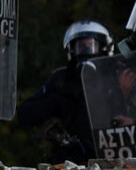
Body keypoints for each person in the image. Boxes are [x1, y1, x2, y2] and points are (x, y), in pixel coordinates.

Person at [14, 19, 113, 162]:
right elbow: (25, 114)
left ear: (104, 48)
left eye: (91, 46)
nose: (86, 52)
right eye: (81, 46)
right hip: (70, 158)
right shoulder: (61, 80)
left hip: (112, 154)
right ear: (71, 50)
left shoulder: (115, 78)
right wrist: (55, 101)